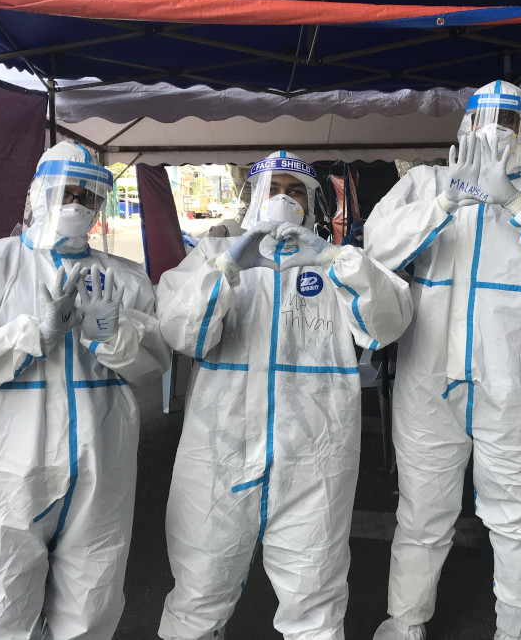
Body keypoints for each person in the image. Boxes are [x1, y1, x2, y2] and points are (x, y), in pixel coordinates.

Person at [363, 80, 521, 640]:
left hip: (516, 379)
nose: (494, 129)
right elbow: (377, 248)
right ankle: (405, 621)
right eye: (485, 117)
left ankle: (517, 629)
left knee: (518, 513)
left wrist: (517, 203)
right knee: (422, 509)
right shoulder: (426, 182)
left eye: (508, 120)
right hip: (430, 374)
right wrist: (445, 202)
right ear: (464, 126)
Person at [0, 141, 171, 639]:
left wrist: (116, 336)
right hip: (2, 471)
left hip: (100, 467)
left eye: (88, 194)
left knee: (90, 606)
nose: (76, 203)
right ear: (39, 193)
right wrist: (31, 334)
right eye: (66, 190)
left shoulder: (124, 279)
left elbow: (153, 364)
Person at [155, 150, 412, 640]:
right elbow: (181, 332)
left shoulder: (334, 262)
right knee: (198, 593)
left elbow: (388, 323)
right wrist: (227, 268)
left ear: (312, 204)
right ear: (251, 198)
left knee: (314, 601)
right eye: (272, 189)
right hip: (219, 457)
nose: (282, 200)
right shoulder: (212, 256)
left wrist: (337, 261)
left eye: (295, 191)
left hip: (313, 459)